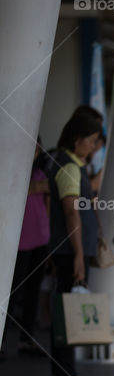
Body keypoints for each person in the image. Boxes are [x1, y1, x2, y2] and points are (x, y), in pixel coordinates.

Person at [47, 107, 105, 376]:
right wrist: (80, 255)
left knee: (67, 310)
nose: (94, 146)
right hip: (70, 251)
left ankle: (66, 372)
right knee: (67, 312)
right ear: (77, 139)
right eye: (91, 140)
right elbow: (71, 213)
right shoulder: (68, 167)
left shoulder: (73, 165)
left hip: (72, 250)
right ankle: (66, 374)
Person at [3, 139, 51, 357]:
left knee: (33, 289)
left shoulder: (41, 171)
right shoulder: (9, 169)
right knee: (11, 292)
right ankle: (2, 340)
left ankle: (27, 339)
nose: (35, 151)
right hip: (18, 241)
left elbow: (48, 193)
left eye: (37, 147)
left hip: (40, 238)